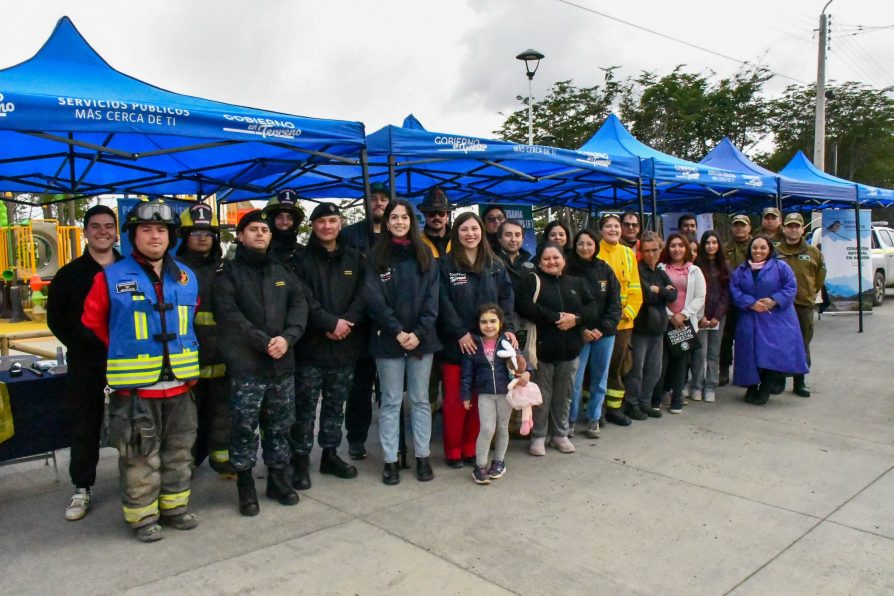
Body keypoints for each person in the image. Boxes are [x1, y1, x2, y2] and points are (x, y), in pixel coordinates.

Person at [81, 199, 200, 542]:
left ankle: (175, 508)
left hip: (180, 387)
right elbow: (93, 323)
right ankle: (142, 517)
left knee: (179, 452)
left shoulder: (186, 277)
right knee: (138, 457)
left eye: (161, 230)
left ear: (171, 236)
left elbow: (190, 321)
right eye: (146, 229)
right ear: (133, 235)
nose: (154, 236)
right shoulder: (110, 277)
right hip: (135, 391)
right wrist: (127, 350)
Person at [213, 209, 309, 516]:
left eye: (264, 230)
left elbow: (299, 305)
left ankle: (277, 480)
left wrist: (288, 338)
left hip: (282, 364)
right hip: (248, 367)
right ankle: (245, 486)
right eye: (253, 229)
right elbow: (229, 315)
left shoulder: (282, 271)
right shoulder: (228, 274)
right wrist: (262, 341)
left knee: (280, 426)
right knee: (244, 428)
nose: (260, 234)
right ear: (241, 236)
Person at [47, 205, 123, 522]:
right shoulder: (69, 274)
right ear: (86, 231)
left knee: (135, 427)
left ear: (116, 231)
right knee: (85, 427)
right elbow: (56, 320)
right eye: (96, 226)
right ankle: (82, 487)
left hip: (128, 364)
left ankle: (138, 485)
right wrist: (84, 344)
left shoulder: (132, 270)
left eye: (108, 226)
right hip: (86, 365)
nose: (103, 231)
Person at [289, 203, 366, 490]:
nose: (327, 226)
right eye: (321, 221)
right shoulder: (300, 259)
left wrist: (347, 323)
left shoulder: (355, 258)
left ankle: (330, 454)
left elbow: (364, 294)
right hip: (312, 347)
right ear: (313, 225)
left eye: (332, 221)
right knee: (305, 408)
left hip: (345, 345)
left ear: (340, 223)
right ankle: (300, 459)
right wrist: (329, 323)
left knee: (336, 406)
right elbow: (302, 298)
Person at [364, 199, 441, 485]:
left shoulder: (425, 256)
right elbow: (373, 300)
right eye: (393, 217)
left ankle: (422, 457)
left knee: (421, 401)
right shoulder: (375, 257)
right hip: (388, 340)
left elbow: (433, 301)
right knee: (391, 402)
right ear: (386, 223)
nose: (399, 222)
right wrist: (397, 331)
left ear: (412, 221)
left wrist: (418, 333)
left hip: (422, 340)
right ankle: (390, 460)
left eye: (404, 217)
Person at [437, 212, 515, 468]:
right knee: (456, 402)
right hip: (456, 343)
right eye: (464, 229)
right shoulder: (445, 265)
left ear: (482, 232)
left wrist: (507, 328)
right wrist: (459, 332)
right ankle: (453, 450)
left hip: (487, 346)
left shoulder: (495, 265)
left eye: (474, 229)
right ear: (456, 233)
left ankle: (471, 447)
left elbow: (506, 298)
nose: (470, 234)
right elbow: (442, 302)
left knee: (481, 401)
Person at [516, 243, 596, 456]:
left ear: (564, 260)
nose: (552, 262)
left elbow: (592, 308)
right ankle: (539, 436)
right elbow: (525, 306)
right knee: (541, 395)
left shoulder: (576, 283)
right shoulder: (532, 281)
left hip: (570, 350)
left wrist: (576, 319)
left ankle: (560, 434)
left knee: (565, 395)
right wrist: (556, 317)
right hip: (542, 351)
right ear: (539, 262)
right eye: (546, 258)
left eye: (556, 257)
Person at [174, 203, 232, 477]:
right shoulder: (172, 270)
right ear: (184, 236)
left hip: (223, 357)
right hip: (187, 358)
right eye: (195, 232)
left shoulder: (225, 268)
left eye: (208, 233)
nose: (202, 237)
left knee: (223, 414)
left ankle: (223, 460)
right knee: (186, 419)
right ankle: (189, 463)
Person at [340, 182, 391, 460]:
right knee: (359, 386)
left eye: (384, 199)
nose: (379, 204)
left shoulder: (398, 233)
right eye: (374, 199)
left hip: (389, 321)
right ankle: (356, 438)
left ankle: (390, 438)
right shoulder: (350, 235)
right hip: (359, 322)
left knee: (390, 387)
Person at [729, 236, 808, 405]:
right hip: (750, 316)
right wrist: (750, 303)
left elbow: (791, 287)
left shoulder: (781, 267)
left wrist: (774, 300)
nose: (758, 251)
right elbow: (734, 290)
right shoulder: (741, 270)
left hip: (776, 318)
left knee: (771, 354)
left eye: (763, 248)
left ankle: (765, 389)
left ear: (770, 249)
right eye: (755, 247)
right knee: (749, 354)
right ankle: (751, 387)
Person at [461, 304, 530, 484]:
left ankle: (499, 462)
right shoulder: (474, 345)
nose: (488, 325)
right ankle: (480, 465)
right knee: (486, 428)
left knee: (502, 427)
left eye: (493, 321)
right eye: (484, 322)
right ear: (478, 324)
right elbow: (467, 373)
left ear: (501, 322)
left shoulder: (507, 342)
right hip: (485, 394)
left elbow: (521, 361)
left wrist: (527, 372)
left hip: (505, 393)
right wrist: (466, 395)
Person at [565, 229, 621, 438]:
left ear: (595, 246)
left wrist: (601, 329)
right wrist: (582, 329)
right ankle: (570, 420)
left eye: (589, 244)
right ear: (575, 245)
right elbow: (565, 303)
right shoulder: (568, 269)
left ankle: (594, 418)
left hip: (604, 334)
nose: (585, 248)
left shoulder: (605, 270)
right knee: (575, 380)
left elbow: (615, 305)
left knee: (599, 379)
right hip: (578, 333)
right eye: (581, 243)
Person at [597, 213, 643, 426]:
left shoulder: (627, 253)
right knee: (596, 367)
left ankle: (614, 409)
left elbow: (635, 287)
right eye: (608, 226)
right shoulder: (594, 251)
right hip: (600, 322)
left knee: (617, 366)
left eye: (616, 226)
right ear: (601, 230)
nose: (613, 230)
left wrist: (630, 312)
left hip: (624, 323)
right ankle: (596, 409)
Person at [625, 232, 677, 419]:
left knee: (654, 370)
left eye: (654, 250)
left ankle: (645, 402)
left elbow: (673, 295)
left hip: (658, 327)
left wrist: (659, 290)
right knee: (636, 369)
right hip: (641, 327)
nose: (650, 254)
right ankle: (632, 403)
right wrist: (662, 292)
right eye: (646, 251)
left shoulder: (660, 272)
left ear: (660, 249)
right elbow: (645, 295)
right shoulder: (637, 270)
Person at [775, 213, 825, 397]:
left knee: (803, 344)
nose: (793, 229)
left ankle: (800, 381)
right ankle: (778, 380)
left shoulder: (814, 252)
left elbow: (820, 276)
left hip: (803, 305)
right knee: (779, 343)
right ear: (784, 228)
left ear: (802, 229)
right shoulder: (775, 250)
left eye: (796, 226)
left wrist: (810, 293)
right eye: (789, 226)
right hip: (780, 306)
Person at [656, 233, 706, 414]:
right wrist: (671, 315)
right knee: (662, 362)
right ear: (667, 248)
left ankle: (678, 398)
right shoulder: (660, 268)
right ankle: (658, 396)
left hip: (684, 323)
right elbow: (658, 295)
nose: (677, 249)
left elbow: (700, 297)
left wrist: (683, 315)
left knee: (680, 362)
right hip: (665, 321)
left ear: (686, 249)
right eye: (673, 245)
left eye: (680, 245)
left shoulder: (695, 271)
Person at [689, 231, 730, 403]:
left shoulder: (724, 266)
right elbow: (695, 293)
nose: (711, 246)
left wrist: (717, 316)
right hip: (700, 316)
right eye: (707, 242)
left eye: (714, 242)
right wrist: (702, 315)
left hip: (718, 317)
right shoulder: (696, 266)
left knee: (714, 353)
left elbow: (727, 294)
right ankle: (696, 385)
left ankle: (710, 386)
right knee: (699, 352)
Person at [720, 213, 753, 386]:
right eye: (736, 225)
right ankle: (724, 369)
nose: (739, 228)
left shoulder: (756, 246)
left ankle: (747, 372)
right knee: (725, 338)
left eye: (743, 225)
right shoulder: (724, 248)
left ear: (749, 227)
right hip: (729, 301)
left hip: (749, 302)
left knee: (748, 339)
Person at [263, 189, 306, 266]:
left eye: (289, 218)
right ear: (271, 220)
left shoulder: (303, 253)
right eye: (279, 217)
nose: (285, 222)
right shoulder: (259, 250)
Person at [418, 187, 453, 258]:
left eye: (441, 213)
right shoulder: (417, 242)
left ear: (447, 215)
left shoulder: (458, 240)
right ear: (425, 215)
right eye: (431, 213)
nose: (437, 217)